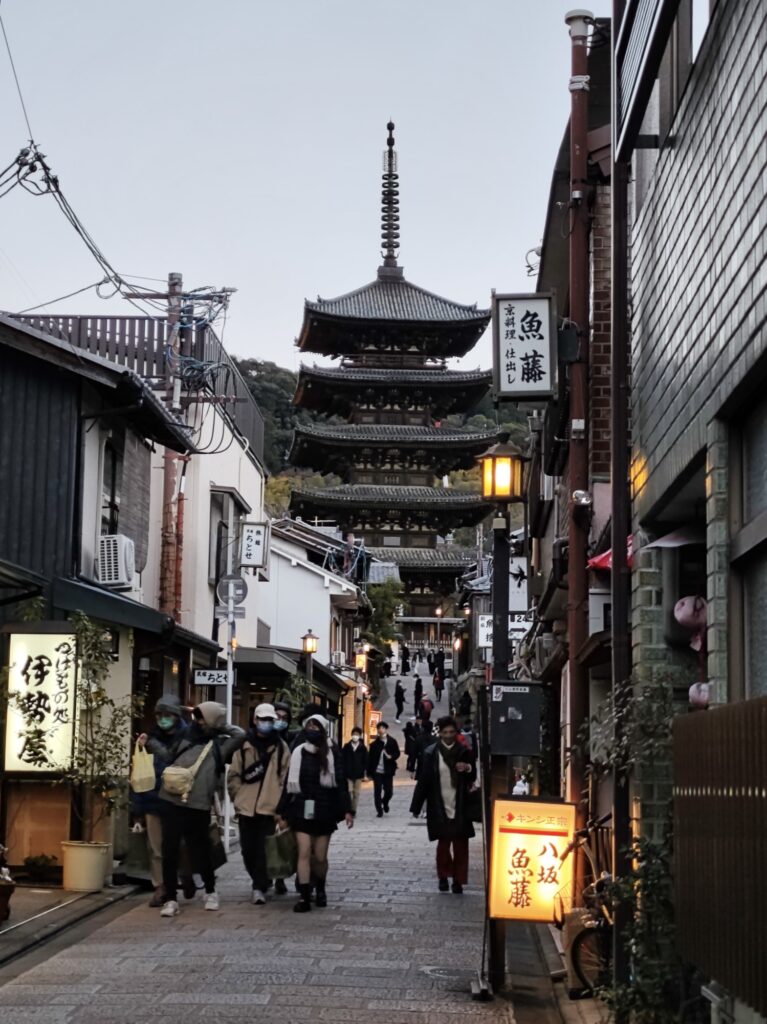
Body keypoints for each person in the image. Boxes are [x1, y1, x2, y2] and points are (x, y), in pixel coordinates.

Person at [143, 701, 245, 917]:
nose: (199, 722)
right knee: (169, 851)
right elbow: (167, 755)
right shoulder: (185, 737)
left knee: (200, 850)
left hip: (198, 804)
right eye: (197, 718)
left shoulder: (220, 745)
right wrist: (150, 743)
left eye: (203, 718)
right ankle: (171, 898)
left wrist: (219, 724)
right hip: (171, 800)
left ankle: (210, 891)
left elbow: (239, 734)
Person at [276, 714, 353, 912]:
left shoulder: (332, 751)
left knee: (319, 857)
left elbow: (341, 781)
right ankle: (304, 896)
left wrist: (348, 810)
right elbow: (288, 783)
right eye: (309, 725)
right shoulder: (299, 751)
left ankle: (320, 886)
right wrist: (281, 810)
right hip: (301, 809)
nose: (312, 729)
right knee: (303, 852)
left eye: (316, 726)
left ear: (323, 729)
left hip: (325, 809)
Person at [132, 694, 192, 906]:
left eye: (167, 715)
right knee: (156, 849)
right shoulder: (147, 738)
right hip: (154, 800)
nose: (163, 719)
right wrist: (137, 809)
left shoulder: (188, 737)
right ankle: (161, 887)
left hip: (181, 800)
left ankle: (185, 875)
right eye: (160, 715)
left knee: (182, 846)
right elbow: (139, 774)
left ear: (176, 715)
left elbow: (176, 759)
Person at [228, 703, 290, 905]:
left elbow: (285, 778)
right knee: (247, 849)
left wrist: (279, 807)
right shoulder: (244, 745)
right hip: (246, 807)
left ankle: (259, 886)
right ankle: (259, 880)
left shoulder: (281, 747)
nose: (266, 723)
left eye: (270, 720)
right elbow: (234, 775)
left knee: (264, 848)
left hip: (269, 808)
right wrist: (238, 797)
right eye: (263, 719)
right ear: (255, 720)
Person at [410, 715, 476, 894]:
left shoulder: (464, 751)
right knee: (443, 844)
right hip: (439, 803)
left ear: (456, 733)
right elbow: (424, 780)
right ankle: (443, 876)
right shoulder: (432, 752)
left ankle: (458, 880)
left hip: (460, 803)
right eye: (445, 732)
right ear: (440, 733)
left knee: (461, 845)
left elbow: (473, 775)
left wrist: (468, 768)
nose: (448, 735)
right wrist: (416, 806)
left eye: (451, 732)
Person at [367, 721, 400, 817]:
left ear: (386, 729)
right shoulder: (374, 744)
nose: (380, 730)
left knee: (389, 791)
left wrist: (392, 757)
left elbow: (397, 753)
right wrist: (369, 773)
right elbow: (370, 759)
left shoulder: (392, 741)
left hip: (388, 770)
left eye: (382, 728)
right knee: (377, 791)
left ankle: (385, 802)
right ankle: (379, 810)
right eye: (379, 728)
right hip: (377, 771)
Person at [342, 726, 367, 813]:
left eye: (357, 734)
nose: (355, 736)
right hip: (348, 774)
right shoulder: (346, 747)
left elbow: (365, 761)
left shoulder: (363, 748)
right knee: (348, 792)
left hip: (358, 774)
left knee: (356, 793)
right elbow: (342, 759)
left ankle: (353, 810)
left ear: (360, 736)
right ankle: (348, 808)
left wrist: (365, 772)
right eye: (353, 734)